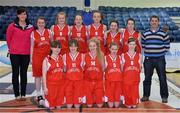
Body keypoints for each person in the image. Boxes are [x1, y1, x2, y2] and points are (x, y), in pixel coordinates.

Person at [6, 7, 34, 100]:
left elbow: (32, 41)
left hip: (26, 54)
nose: (23, 16)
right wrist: (12, 49)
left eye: (24, 14)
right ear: (17, 15)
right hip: (14, 54)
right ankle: (16, 95)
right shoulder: (12, 26)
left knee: (23, 74)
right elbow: (8, 39)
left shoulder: (31, 27)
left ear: (26, 15)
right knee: (15, 73)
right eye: (21, 14)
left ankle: (23, 94)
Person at [141, 15, 170, 103]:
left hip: (160, 59)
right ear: (150, 22)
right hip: (148, 59)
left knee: (162, 78)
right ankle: (146, 95)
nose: (154, 22)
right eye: (152, 21)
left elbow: (167, 47)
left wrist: (159, 53)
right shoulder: (145, 33)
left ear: (158, 22)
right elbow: (143, 45)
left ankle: (164, 96)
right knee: (147, 78)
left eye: (156, 21)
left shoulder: (164, 33)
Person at [30, 17, 51, 105]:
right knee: (38, 76)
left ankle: (45, 94)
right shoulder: (33, 33)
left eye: (42, 22)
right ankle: (39, 94)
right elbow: (31, 47)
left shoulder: (49, 32)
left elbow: (52, 44)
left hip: (46, 58)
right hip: (37, 57)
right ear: (37, 23)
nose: (41, 24)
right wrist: (31, 58)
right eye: (39, 23)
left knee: (45, 77)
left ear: (45, 23)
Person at [42, 41, 65, 109]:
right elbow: (44, 75)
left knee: (59, 106)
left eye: (59, 48)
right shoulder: (46, 60)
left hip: (60, 85)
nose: (57, 49)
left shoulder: (62, 58)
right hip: (51, 86)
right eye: (55, 47)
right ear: (51, 48)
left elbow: (64, 71)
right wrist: (45, 87)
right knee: (51, 107)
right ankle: (42, 101)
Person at [84, 38, 104, 108]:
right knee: (89, 105)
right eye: (90, 46)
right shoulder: (85, 55)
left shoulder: (101, 55)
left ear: (97, 46)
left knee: (99, 105)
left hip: (98, 82)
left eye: (93, 46)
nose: (92, 47)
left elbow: (103, 69)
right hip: (88, 82)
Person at [63, 39, 84, 108]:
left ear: (77, 47)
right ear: (69, 47)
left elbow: (84, 69)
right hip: (68, 81)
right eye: (71, 46)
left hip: (79, 81)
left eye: (74, 46)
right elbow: (64, 70)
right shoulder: (64, 56)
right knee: (69, 105)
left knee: (77, 105)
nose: (73, 48)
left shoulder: (82, 56)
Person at [121, 37, 141, 108]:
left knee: (134, 95)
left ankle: (134, 101)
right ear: (127, 45)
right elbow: (121, 68)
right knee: (127, 93)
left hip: (135, 78)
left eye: (133, 44)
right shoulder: (123, 55)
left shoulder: (139, 55)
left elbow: (140, 68)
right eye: (130, 44)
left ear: (135, 45)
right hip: (126, 78)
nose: (132, 46)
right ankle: (127, 101)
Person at [104, 42, 123, 108]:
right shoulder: (105, 57)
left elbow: (122, 69)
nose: (114, 51)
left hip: (118, 81)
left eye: (116, 49)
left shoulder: (120, 57)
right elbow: (103, 70)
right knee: (111, 105)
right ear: (109, 49)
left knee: (117, 104)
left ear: (118, 49)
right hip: (109, 81)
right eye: (112, 49)